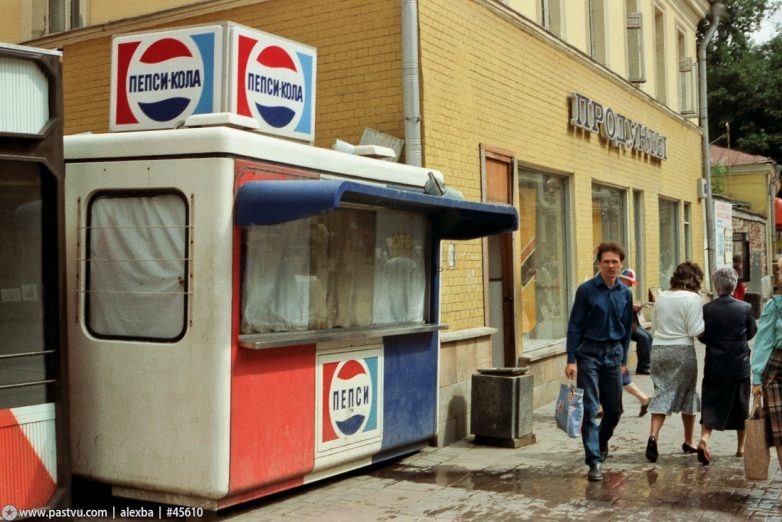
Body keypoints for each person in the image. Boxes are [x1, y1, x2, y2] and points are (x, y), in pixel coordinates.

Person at [565, 241, 633, 482]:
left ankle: (601, 440)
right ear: (599, 264)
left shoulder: (625, 292)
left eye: (615, 262)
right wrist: (571, 359)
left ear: (622, 264)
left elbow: (626, 329)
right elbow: (574, 326)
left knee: (615, 410)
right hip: (589, 354)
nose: (611, 266)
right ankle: (594, 460)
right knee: (591, 409)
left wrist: (624, 358)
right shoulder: (586, 291)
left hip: (614, 355)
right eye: (606, 261)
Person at [645, 261, 705, 463]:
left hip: (659, 349)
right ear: (694, 280)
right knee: (688, 393)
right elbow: (695, 330)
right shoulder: (693, 298)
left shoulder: (661, 296)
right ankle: (689, 440)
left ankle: (653, 436)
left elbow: (654, 326)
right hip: (682, 350)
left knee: (662, 391)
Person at [696, 267, 757, 465]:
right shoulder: (745, 308)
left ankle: (704, 440)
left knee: (711, 404)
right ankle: (740, 448)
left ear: (716, 285)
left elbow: (702, 335)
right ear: (734, 285)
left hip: (715, 365)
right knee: (741, 406)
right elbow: (751, 332)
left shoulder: (707, 309)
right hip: (739, 366)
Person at [750, 290, 782, 485]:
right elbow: (763, 342)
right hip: (776, 371)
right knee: (780, 431)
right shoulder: (776, 305)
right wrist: (756, 378)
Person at [619, 268, 652, 375]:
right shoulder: (620, 290)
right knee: (644, 338)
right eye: (630, 282)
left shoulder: (626, 290)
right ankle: (643, 367)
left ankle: (646, 364)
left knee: (649, 336)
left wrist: (633, 308)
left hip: (632, 323)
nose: (631, 285)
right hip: (625, 325)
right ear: (624, 279)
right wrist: (632, 308)